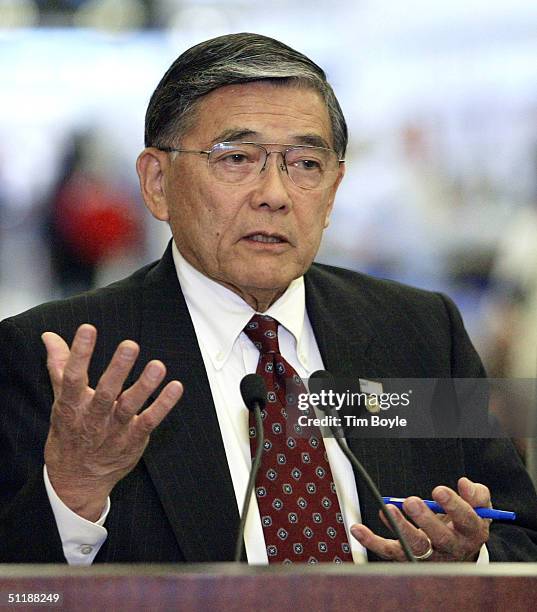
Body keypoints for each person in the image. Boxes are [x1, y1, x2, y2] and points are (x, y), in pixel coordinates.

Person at [1, 33, 536, 565]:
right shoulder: (63, 361)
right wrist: (73, 496)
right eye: (236, 158)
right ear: (157, 182)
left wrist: (472, 562)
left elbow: (521, 533)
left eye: (305, 164)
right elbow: (22, 587)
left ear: (334, 189)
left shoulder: (419, 331)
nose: (274, 195)